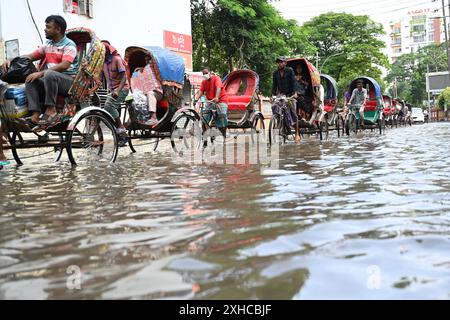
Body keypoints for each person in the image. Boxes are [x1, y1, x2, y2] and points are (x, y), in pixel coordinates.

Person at [1, 15, 79, 128]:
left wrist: (41, 73)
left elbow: (65, 65)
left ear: (58, 29)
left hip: (68, 82)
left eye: (48, 27)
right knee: (30, 79)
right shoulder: (48, 44)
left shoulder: (69, 45)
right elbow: (30, 56)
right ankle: (35, 114)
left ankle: (51, 109)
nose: (45, 29)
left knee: (48, 73)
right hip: (51, 79)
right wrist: (12, 59)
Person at [101, 40, 129, 142]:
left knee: (108, 106)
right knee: (104, 113)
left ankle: (121, 128)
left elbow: (124, 77)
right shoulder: (103, 63)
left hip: (122, 89)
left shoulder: (117, 59)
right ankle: (117, 132)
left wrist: (117, 91)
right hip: (112, 90)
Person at [272, 56, 300, 142]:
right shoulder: (275, 73)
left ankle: (297, 133)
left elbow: (294, 81)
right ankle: (279, 122)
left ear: (285, 63)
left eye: (281, 62)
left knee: (293, 113)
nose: (279, 64)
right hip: (281, 95)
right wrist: (272, 95)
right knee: (275, 106)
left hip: (290, 95)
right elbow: (274, 85)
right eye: (278, 62)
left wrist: (295, 92)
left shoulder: (290, 70)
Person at [195, 67, 229, 137]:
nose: (205, 75)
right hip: (210, 102)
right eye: (203, 73)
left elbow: (218, 88)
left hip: (221, 100)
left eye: (206, 73)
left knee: (222, 116)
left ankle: (224, 133)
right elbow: (201, 91)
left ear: (210, 73)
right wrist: (196, 99)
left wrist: (216, 97)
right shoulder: (204, 82)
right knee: (204, 118)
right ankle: (204, 137)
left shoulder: (216, 78)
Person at [131, 54, 163, 126]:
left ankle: (154, 117)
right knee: (137, 97)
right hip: (146, 91)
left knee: (150, 93)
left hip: (157, 92)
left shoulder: (156, 67)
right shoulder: (145, 69)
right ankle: (134, 118)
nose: (148, 61)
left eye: (149, 59)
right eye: (146, 60)